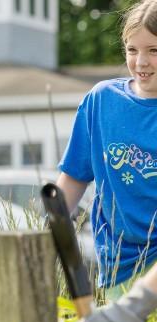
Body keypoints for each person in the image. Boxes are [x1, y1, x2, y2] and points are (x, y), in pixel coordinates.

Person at [57, 0, 157, 299]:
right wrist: (47, 231)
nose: (141, 62)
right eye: (132, 50)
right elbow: (74, 178)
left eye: (154, 50)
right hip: (117, 266)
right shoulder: (101, 101)